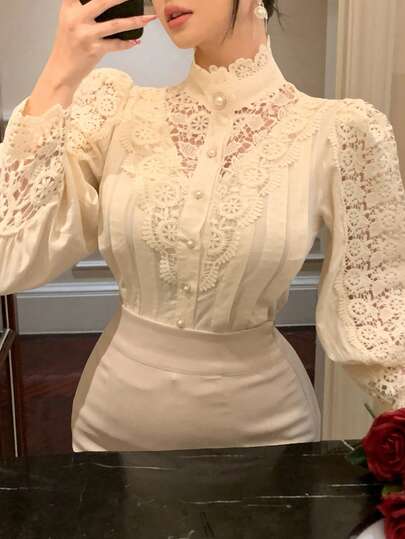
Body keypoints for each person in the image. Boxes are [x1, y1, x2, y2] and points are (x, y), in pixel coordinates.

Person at [0, 0, 404, 452]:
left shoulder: (339, 132)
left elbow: (378, 308)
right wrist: (60, 71)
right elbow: (11, 258)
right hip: (110, 431)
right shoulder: (115, 110)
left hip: (269, 438)